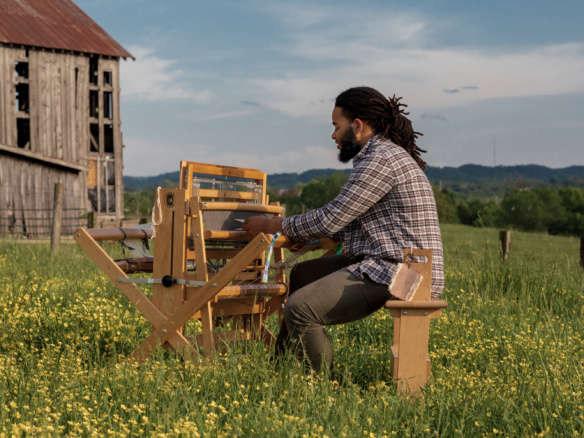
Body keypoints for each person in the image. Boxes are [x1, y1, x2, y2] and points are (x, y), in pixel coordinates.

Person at [243, 86, 444, 373]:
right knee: (303, 274)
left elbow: (332, 218)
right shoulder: (384, 154)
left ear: (358, 126)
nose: (333, 136)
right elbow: (354, 222)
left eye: (337, 127)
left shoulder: (380, 159)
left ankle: (325, 387)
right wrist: (307, 237)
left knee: (300, 309)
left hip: (405, 272)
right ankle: (281, 370)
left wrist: (274, 225)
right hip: (400, 262)